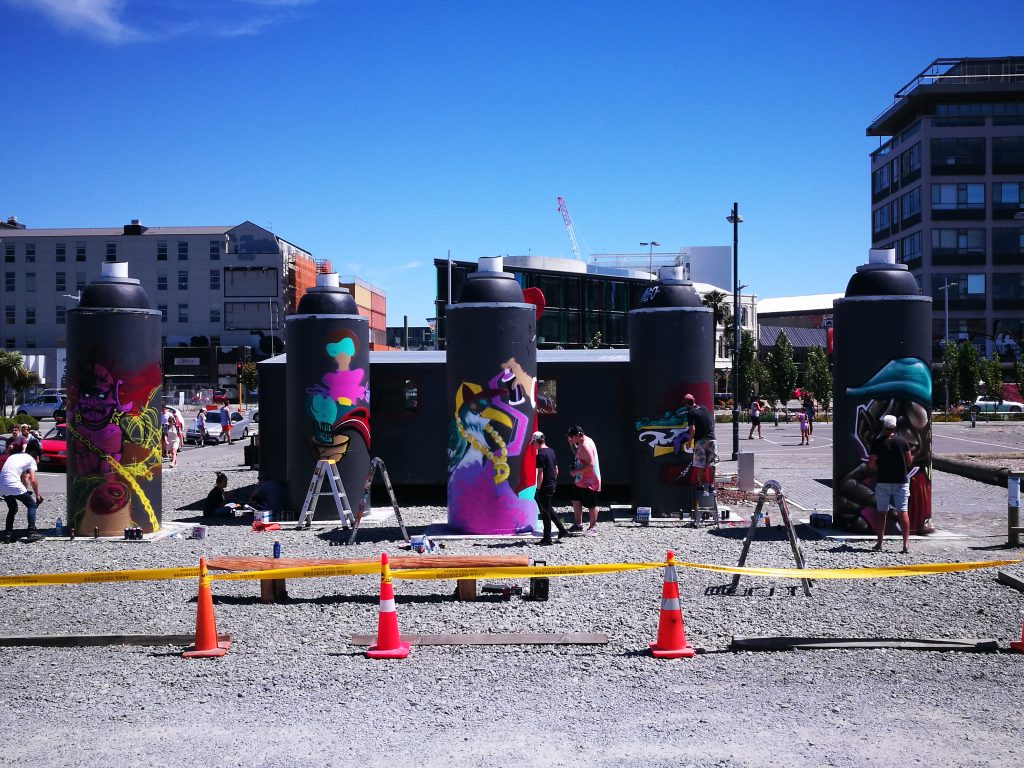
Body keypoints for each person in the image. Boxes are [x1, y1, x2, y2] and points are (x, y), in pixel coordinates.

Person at [867, 413, 912, 554]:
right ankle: (905, 545)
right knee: (902, 512)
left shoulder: (877, 442)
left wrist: (877, 465)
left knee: (881, 512)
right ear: (895, 427)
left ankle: (880, 543)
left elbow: (871, 464)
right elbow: (909, 461)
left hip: (883, 481)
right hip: (901, 482)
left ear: (884, 426)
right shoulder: (903, 442)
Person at [1, 441, 43, 542]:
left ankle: (7, 535)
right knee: (31, 505)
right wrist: (37, 495)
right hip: (13, 484)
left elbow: (21, 475)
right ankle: (31, 532)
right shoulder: (31, 460)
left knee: (12, 508)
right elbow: (33, 480)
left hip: (1, 484)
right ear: (36, 454)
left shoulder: (14, 456)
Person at [532, 431, 568, 545]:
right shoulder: (551, 451)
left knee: (544, 512)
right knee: (548, 508)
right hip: (551, 484)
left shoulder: (540, 455)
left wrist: (537, 489)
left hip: (544, 486)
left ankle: (547, 538)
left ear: (536, 441)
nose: (533, 445)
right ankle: (562, 530)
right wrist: (554, 481)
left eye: (533, 443)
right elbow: (556, 469)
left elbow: (540, 474)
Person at [566, 425, 601, 535]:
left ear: (578, 435)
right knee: (575, 500)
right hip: (581, 479)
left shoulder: (586, 445)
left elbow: (590, 465)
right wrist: (571, 443)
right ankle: (578, 524)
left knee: (591, 505)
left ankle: (593, 527)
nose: (571, 438)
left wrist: (575, 472)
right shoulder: (582, 441)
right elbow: (578, 453)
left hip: (590, 481)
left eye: (572, 437)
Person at [684, 394, 717, 487]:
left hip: (700, 441)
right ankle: (711, 486)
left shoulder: (690, 412)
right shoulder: (704, 408)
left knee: (700, 464)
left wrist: (689, 442)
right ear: (694, 400)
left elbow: (693, 429)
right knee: (712, 464)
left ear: (686, 404)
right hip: (711, 439)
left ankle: (701, 485)